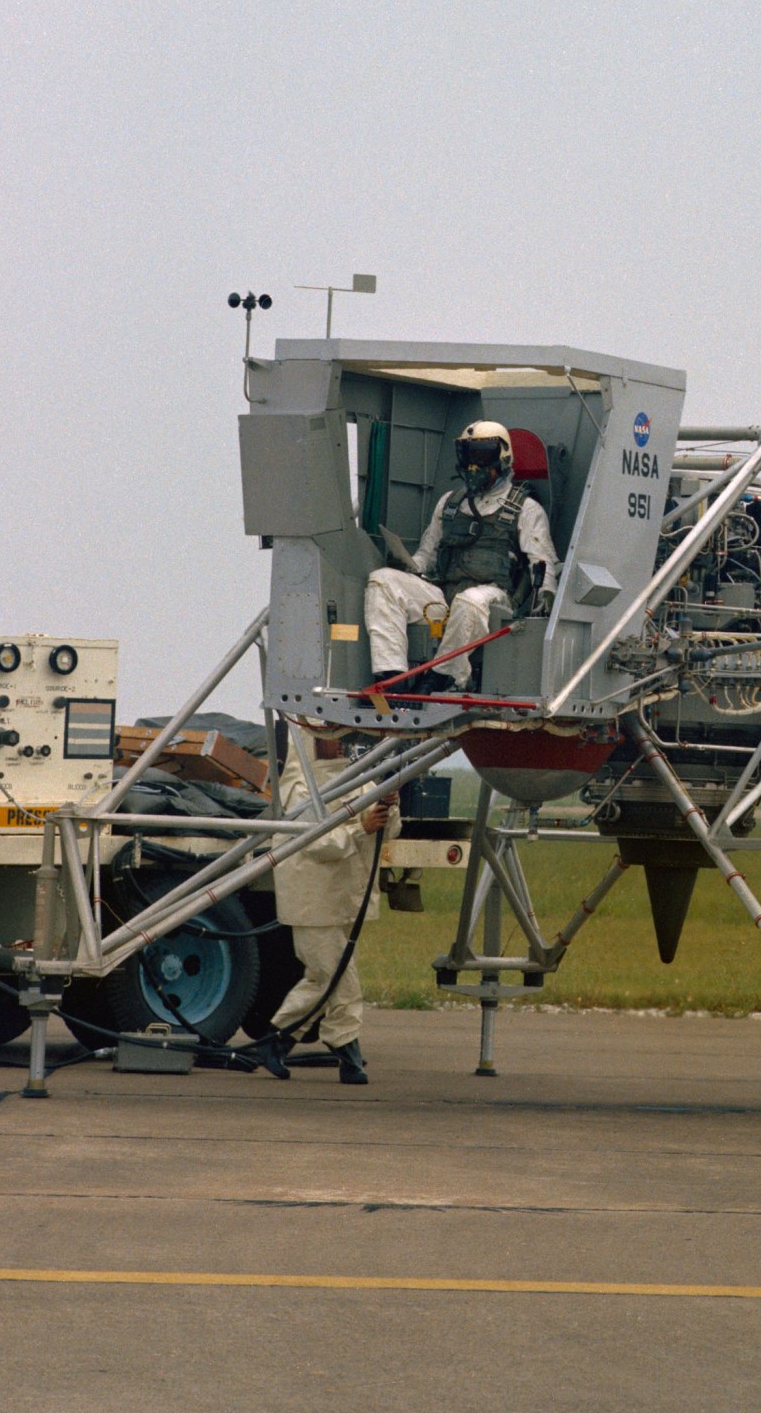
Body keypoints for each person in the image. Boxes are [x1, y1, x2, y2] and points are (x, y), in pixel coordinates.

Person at [362, 420, 557, 693]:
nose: (473, 466)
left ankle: (443, 676)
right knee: (382, 580)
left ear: (502, 457)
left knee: (470, 601)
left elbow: (543, 561)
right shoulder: (451, 503)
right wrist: (407, 566)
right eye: (467, 456)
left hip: (495, 599)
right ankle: (391, 676)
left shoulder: (526, 509)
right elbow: (426, 555)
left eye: (482, 456)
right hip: (445, 595)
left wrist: (544, 599)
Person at [259, 734, 400, 1084]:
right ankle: (345, 1049)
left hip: (344, 899)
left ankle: (278, 1040)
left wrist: (389, 806)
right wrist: (360, 830)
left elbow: (390, 830)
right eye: (329, 738)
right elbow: (315, 842)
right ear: (309, 743)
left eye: (341, 737)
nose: (338, 744)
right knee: (339, 979)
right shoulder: (298, 789)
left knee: (326, 978)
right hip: (312, 901)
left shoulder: (355, 779)